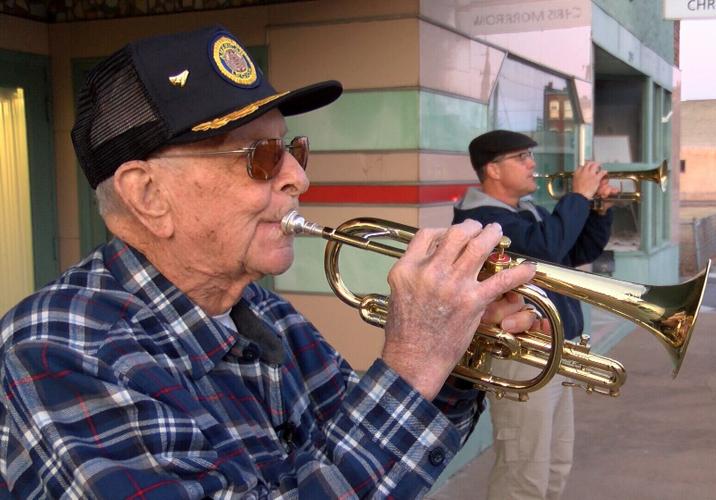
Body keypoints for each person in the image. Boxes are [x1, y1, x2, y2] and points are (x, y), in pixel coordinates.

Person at [0, 26, 541, 499]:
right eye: (259, 157)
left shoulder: (261, 310)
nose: (298, 178)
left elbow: (362, 459)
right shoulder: (59, 348)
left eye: (292, 149)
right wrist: (414, 361)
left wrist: (452, 352)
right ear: (148, 195)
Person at [452, 130, 617, 499]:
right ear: (493, 169)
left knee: (556, 465)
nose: (532, 164)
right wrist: (579, 196)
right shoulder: (482, 221)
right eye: (522, 157)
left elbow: (575, 252)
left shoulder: (528, 213)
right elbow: (546, 247)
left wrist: (600, 209)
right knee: (523, 475)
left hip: (552, 349)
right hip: (520, 356)